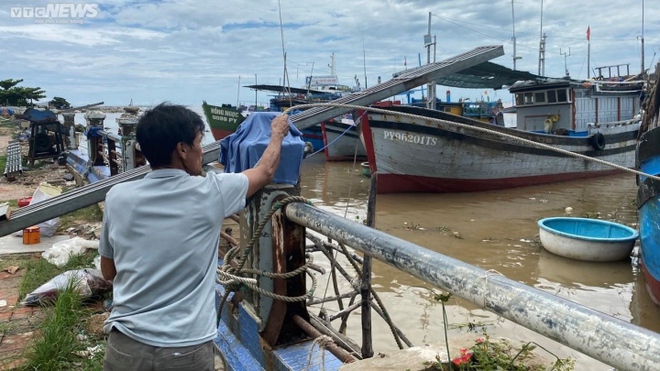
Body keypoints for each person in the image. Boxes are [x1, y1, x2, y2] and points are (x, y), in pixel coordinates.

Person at [99, 103, 291, 370]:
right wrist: (277, 134)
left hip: (125, 346)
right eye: (199, 142)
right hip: (185, 350)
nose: (202, 151)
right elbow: (265, 171)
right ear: (182, 149)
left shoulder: (117, 196)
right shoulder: (211, 192)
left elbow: (108, 271)